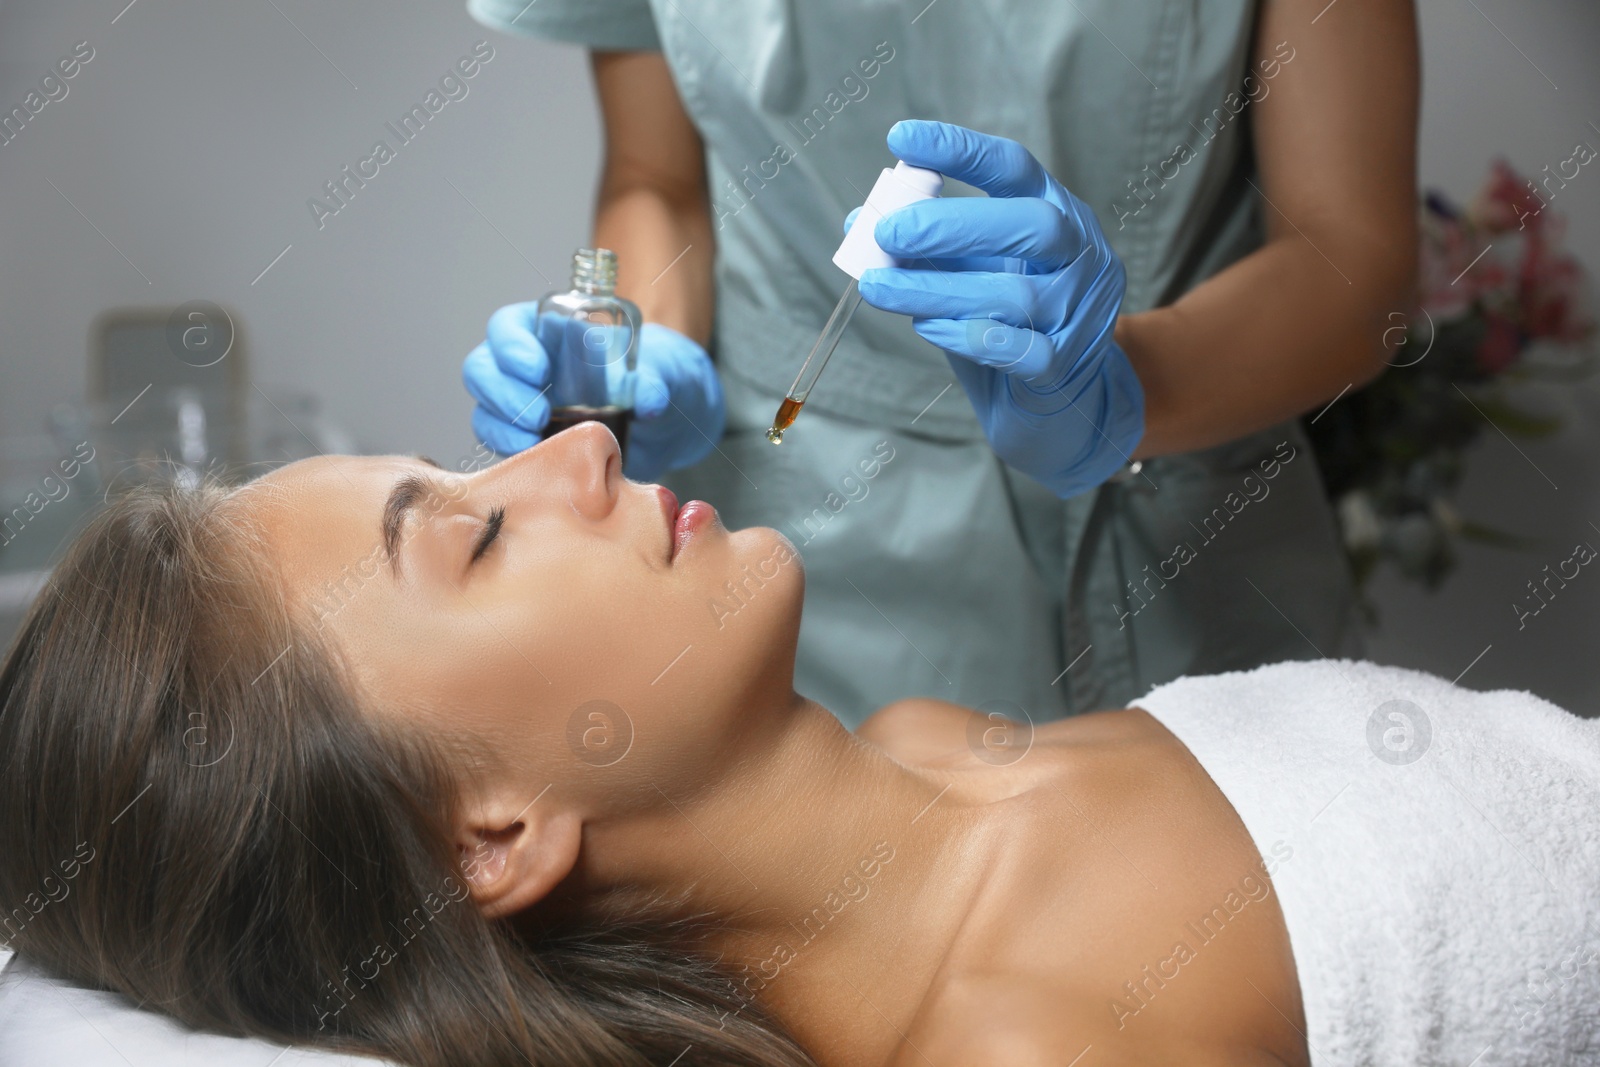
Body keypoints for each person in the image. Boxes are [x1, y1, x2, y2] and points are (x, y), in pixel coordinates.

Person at [2, 429, 1594, 1066]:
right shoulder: (1031, 1040)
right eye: (478, 538)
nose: (579, 444)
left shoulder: (930, 749)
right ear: (490, 834)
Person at [461, 1, 1421, 728]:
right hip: (793, 527)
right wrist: (642, 355)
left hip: (1186, 553)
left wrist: (1124, 386)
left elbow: (1357, 260)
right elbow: (655, 178)